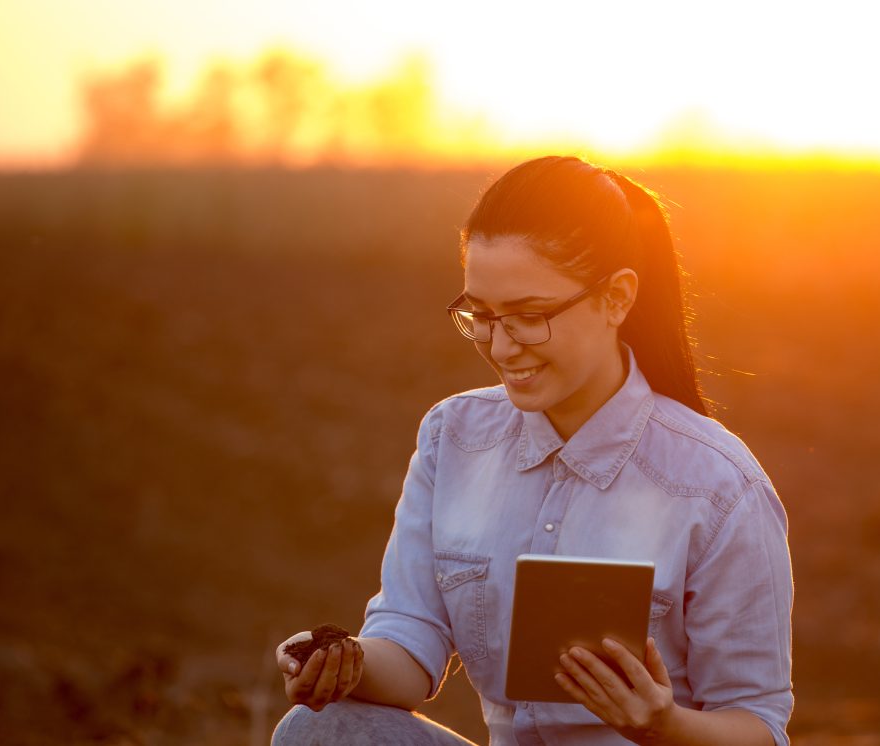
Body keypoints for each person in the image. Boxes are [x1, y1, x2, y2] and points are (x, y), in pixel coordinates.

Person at [272, 155, 794, 745]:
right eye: (482, 315)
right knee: (319, 732)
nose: (500, 345)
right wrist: (345, 663)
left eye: (529, 316)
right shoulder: (453, 436)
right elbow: (411, 644)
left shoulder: (718, 485)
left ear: (617, 298)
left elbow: (759, 726)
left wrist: (661, 724)